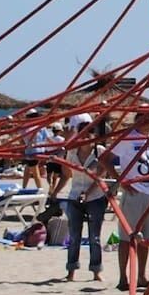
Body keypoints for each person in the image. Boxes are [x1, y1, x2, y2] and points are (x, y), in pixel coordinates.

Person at [104, 110, 149, 294]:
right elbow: (105, 159)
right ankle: (123, 277)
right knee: (127, 236)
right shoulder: (128, 138)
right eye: (145, 117)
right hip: (134, 191)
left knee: (146, 238)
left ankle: (141, 275)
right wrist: (121, 180)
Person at [60, 116, 110, 285]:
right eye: (83, 133)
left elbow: (101, 174)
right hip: (75, 196)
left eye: (89, 133)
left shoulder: (100, 151)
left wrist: (87, 193)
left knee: (94, 237)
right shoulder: (72, 152)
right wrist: (66, 147)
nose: (86, 137)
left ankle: (96, 271)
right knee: (74, 236)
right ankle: (71, 271)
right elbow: (67, 173)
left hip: (95, 197)